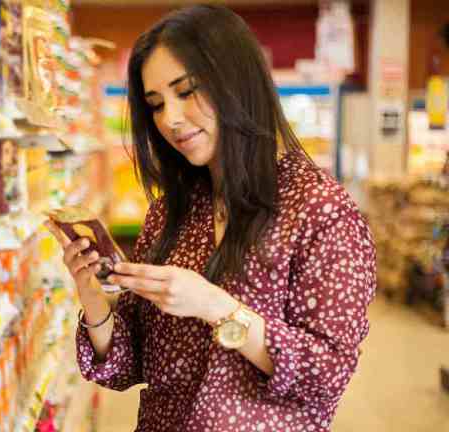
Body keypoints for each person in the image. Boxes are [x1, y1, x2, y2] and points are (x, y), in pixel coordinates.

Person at [44, 5, 376, 431]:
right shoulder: (173, 211)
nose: (170, 119)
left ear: (235, 82)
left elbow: (326, 373)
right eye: (156, 104)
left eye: (187, 92)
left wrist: (216, 307)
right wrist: (94, 299)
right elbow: (127, 365)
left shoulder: (320, 210)